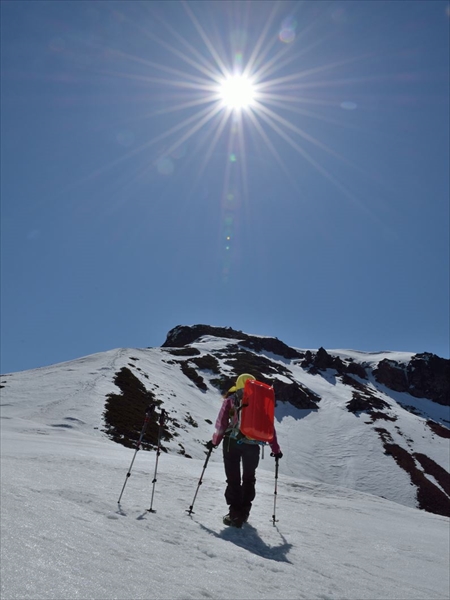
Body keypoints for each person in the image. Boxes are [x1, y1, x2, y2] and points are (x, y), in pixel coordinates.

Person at [207, 373, 283, 528]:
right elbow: (269, 428)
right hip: (252, 445)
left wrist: (215, 441)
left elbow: (222, 424)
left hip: (231, 443)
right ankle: (244, 512)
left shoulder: (231, 400)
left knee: (233, 478)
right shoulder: (260, 403)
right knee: (249, 478)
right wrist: (275, 449)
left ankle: (234, 514)